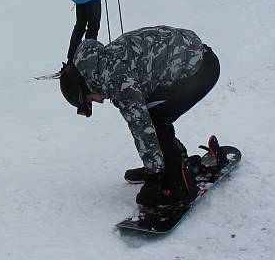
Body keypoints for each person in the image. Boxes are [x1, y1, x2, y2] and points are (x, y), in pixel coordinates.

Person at [59, 26, 220, 209]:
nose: (98, 102)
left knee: (155, 119)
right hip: (197, 59)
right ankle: (168, 163)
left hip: (202, 70)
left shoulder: (115, 79)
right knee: (153, 112)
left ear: (85, 87)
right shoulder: (101, 63)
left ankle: (178, 187)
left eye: (90, 100)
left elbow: (142, 127)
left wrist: (154, 178)